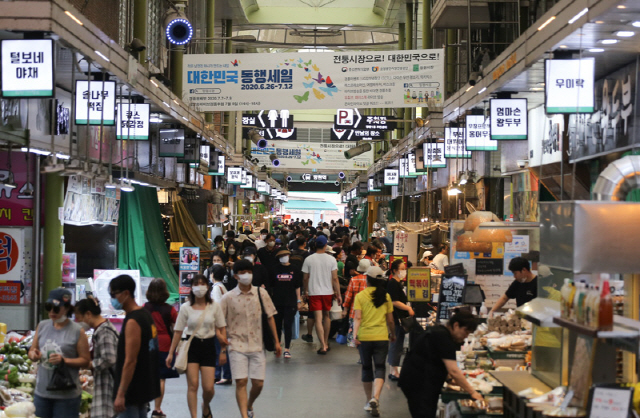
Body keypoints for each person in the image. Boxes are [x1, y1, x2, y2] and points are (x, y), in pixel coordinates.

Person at [221, 260, 282, 418]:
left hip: (257, 344)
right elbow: (220, 323)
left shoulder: (261, 294)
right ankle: (244, 415)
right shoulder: (228, 298)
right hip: (236, 345)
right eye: (242, 272)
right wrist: (222, 346)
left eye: (249, 272)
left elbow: (270, 317)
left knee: (258, 383)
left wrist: (277, 341)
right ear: (236, 276)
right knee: (240, 382)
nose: (246, 275)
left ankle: (249, 404)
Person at [399, 310, 483, 418]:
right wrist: (472, 392)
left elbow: (436, 359)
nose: (466, 336)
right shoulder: (444, 337)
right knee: (424, 413)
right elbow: (453, 370)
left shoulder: (440, 332)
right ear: (456, 325)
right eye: (466, 332)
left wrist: (448, 380)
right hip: (419, 383)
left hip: (416, 380)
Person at [166, 275, 228, 418]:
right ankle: (194, 416)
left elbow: (222, 328)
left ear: (207, 287)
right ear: (191, 287)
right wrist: (171, 353)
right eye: (196, 284)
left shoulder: (214, 306)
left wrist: (223, 350)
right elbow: (178, 331)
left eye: (202, 283)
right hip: (191, 346)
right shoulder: (185, 307)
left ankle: (205, 406)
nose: (199, 287)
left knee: (209, 388)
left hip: (209, 346)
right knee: (193, 385)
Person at [29, 288, 91, 418]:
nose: (51, 311)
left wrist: (64, 360)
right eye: (48, 307)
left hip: (66, 395)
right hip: (42, 392)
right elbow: (32, 351)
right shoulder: (42, 326)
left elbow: (85, 360)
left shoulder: (77, 331)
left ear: (67, 308)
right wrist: (34, 355)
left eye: (56, 308)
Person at [109, 274, 161, 418]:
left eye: (113, 294)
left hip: (131, 391)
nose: (112, 298)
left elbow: (130, 361)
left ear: (126, 293)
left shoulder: (133, 321)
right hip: (143, 387)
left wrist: (121, 393)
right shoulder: (145, 315)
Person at [352, 266, 395, 417]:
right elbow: (390, 320)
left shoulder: (361, 296)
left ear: (367, 280)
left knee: (366, 368)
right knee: (380, 368)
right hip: (381, 337)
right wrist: (393, 334)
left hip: (365, 338)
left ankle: (368, 400)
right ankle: (376, 398)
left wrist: (355, 335)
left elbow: (357, 318)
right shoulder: (386, 296)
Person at [75, 297, 118, 418]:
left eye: (79, 318)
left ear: (88, 314)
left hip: (109, 384)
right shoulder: (102, 329)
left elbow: (109, 358)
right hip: (106, 382)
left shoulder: (104, 331)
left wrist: (89, 364)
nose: (78, 322)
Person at [143, 279, 179, 418]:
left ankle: (145, 403)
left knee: (146, 376)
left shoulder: (145, 307)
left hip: (148, 343)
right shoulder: (170, 309)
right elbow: (179, 325)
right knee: (161, 378)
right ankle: (157, 409)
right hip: (165, 344)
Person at [302, 234, 341, 354]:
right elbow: (335, 278)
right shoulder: (331, 259)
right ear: (325, 245)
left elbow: (305, 278)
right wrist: (338, 294)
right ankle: (326, 341)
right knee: (326, 317)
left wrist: (306, 291)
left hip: (314, 293)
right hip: (328, 292)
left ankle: (323, 345)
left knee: (318, 319)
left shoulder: (309, 259)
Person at [269, 249, 303, 359]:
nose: (284, 257)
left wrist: (299, 300)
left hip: (290, 301)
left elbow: (297, 286)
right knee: (277, 325)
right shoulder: (274, 269)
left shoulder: (295, 269)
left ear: (289, 256)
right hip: (277, 302)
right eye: (282, 256)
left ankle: (287, 349)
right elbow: (271, 287)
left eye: (286, 255)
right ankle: (277, 345)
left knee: (288, 325)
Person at [386, 260, 413, 381]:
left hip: (399, 317)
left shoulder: (398, 283)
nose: (404, 271)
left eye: (404, 268)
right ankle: (393, 370)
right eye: (402, 269)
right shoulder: (392, 284)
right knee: (396, 344)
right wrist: (408, 308)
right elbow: (394, 301)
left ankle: (395, 369)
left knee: (398, 344)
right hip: (396, 318)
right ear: (395, 270)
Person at [209, 265, 233, 385]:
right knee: (219, 348)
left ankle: (224, 375)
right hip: (224, 322)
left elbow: (217, 307)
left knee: (220, 349)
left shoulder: (216, 289)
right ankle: (218, 374)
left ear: (212, 274)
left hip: (219, 323)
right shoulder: (222, 287)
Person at [342, 259, 370, 347]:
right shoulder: (371, 281)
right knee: (366, 337)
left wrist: (345, 310)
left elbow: (348, 297)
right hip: (368, 312)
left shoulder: (353, 280)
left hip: (354, 313)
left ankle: (360, 353)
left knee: (355, 337)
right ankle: (363, 356)